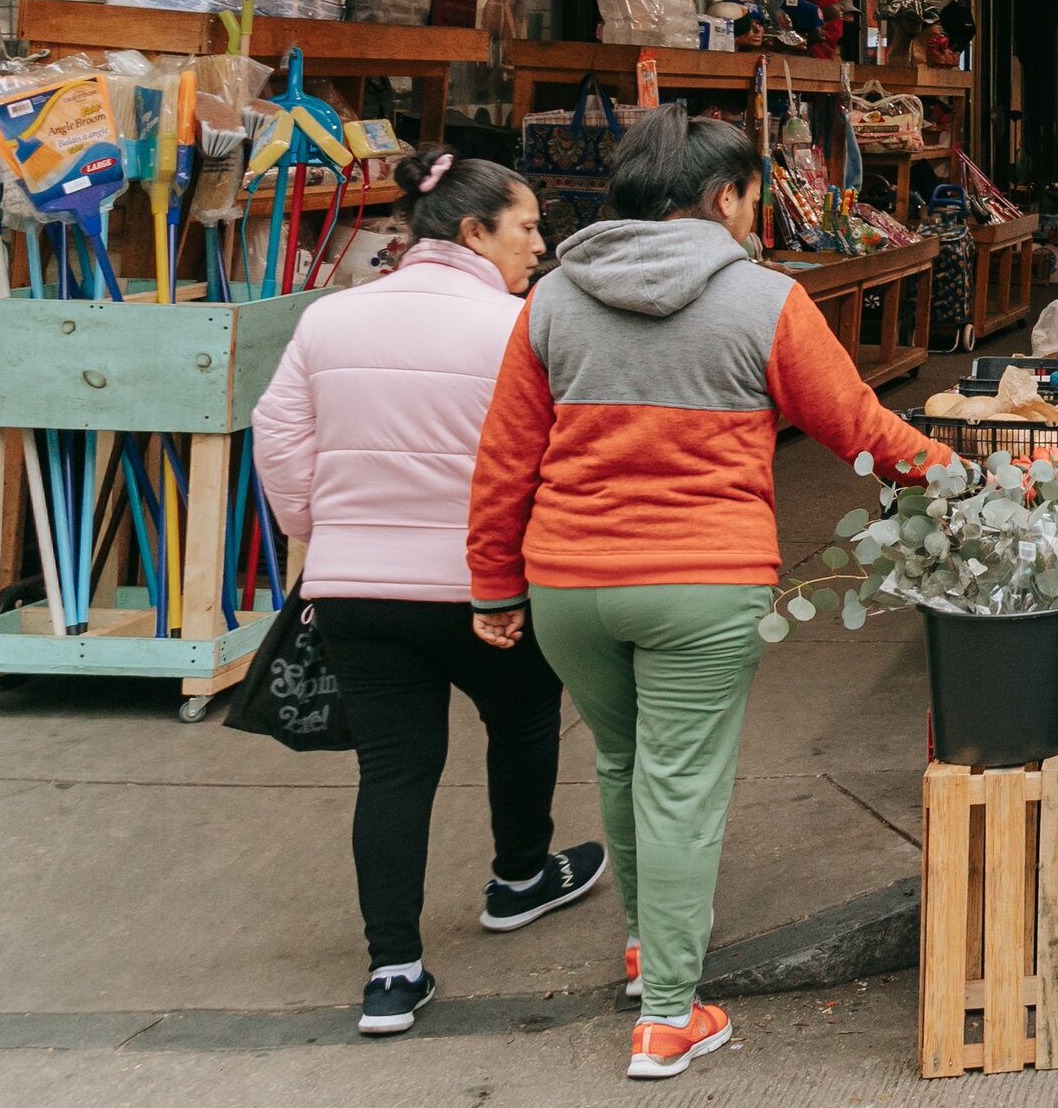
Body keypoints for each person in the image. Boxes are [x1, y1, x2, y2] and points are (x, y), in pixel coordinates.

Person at [467, 106, 946, 1082]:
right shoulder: (765, 301)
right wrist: (966, 472)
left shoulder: (552, 300)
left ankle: (652, 947)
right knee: (680, 784)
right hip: (699, 580)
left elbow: (505, 458)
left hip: (568, 583)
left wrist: (492, 584)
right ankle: (669, 1017)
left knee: (623, 762)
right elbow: (859, 429)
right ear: (725, 197)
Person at [253, 150, 601, 1039]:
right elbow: (549, 459)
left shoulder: (330, 320)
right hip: (483, 586)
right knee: (521, 719)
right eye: (526, 226)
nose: (539, 243)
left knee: (394, 771)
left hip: (355, 589)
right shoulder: (516, 329)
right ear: (473, 230)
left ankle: (392, 972)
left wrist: (320, 531)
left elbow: (279, 435)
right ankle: (520, 877)